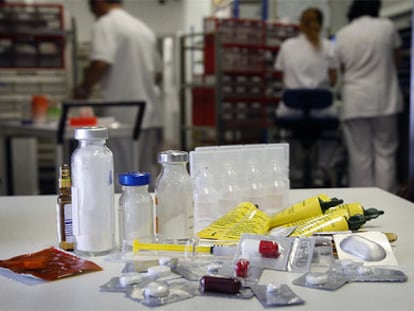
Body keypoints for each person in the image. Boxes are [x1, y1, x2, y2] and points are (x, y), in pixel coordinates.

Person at [74, 0, 163, 191]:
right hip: (148, 113)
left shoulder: (105, 24)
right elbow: (158, 73)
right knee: (145, 174)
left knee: (121, 177)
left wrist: (83, 88)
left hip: (123, 116)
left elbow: (100, 63)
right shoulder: (142, 29)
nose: (90, 8)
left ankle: (122, 216)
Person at [335, 0, 403, 192]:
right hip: (385, 99)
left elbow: (341, 67)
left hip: (355, 101)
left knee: (359, 155)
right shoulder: (386, 27)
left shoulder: (343, 34)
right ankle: (388, 197)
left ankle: (363, 200)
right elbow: (397, 58)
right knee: (386, 152)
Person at [274, 7, 338, 117]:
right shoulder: (330, 47)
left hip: (291, 109)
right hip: (321, 109)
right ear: (321, 25)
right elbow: (333, 81)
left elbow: (282, 78)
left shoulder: (286, 46)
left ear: (300, 24)